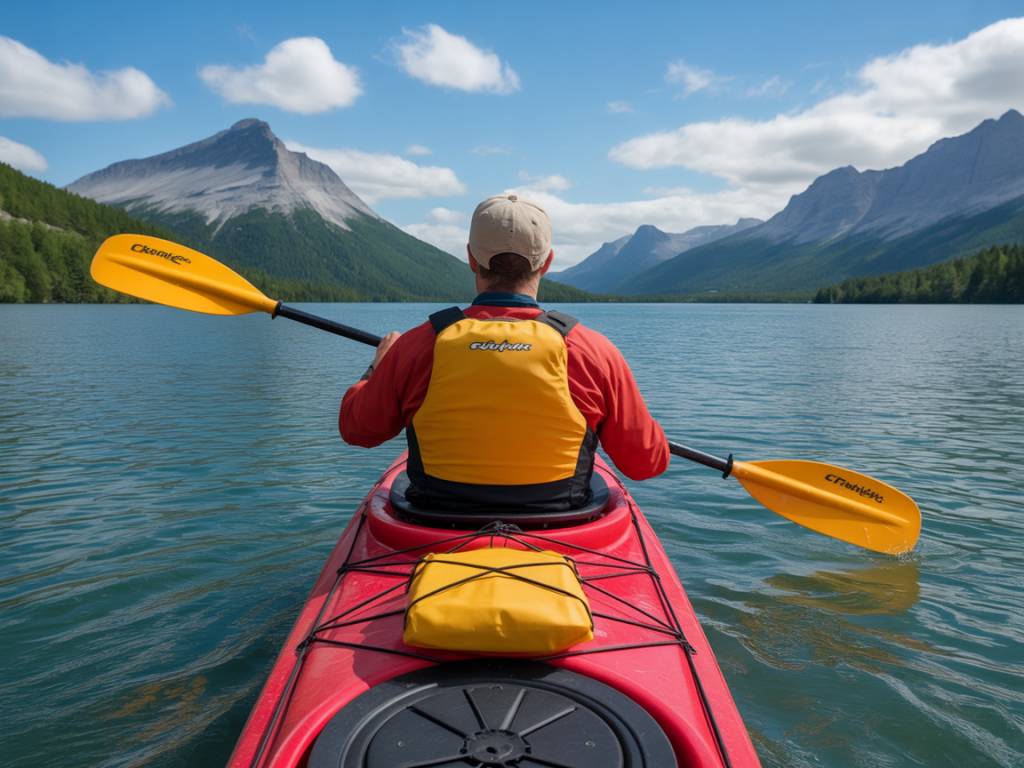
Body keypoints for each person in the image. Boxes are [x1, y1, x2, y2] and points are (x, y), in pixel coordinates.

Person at [339, 194, 669, 511]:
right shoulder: (593, 351)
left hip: (434, 522)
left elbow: (358, 429)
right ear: (548, 261)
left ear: (470, 258)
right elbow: (646, 463)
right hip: (561, 523)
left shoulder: (418, 344)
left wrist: (377, 368)